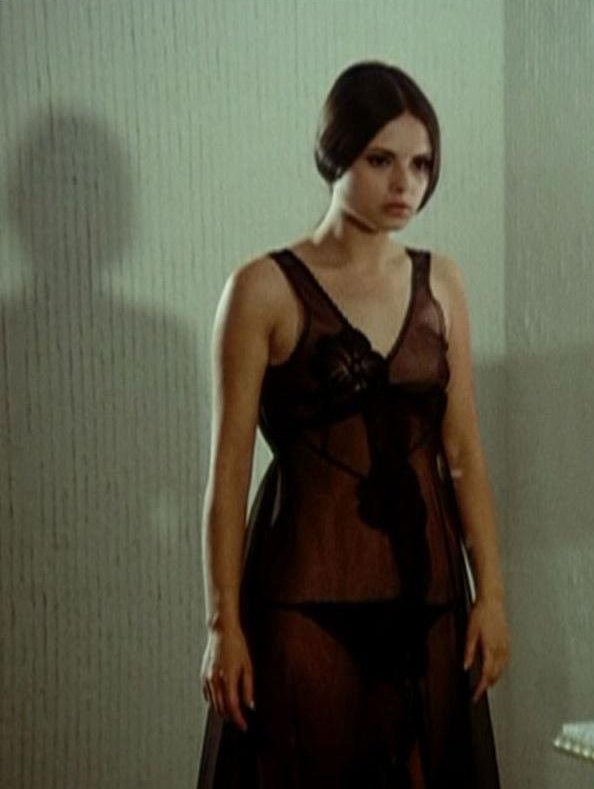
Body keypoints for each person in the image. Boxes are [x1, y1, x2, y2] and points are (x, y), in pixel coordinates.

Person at [195, 61, 508, 788]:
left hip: (429, 599)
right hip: (302, 602)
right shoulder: (261, 289)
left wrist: (491, 593)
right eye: (380, 160)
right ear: (335, 155)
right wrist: (222, 624)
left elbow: (463, 452)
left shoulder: (441, 282)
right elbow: (228, 473)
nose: (405, 184)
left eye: (421, 164)